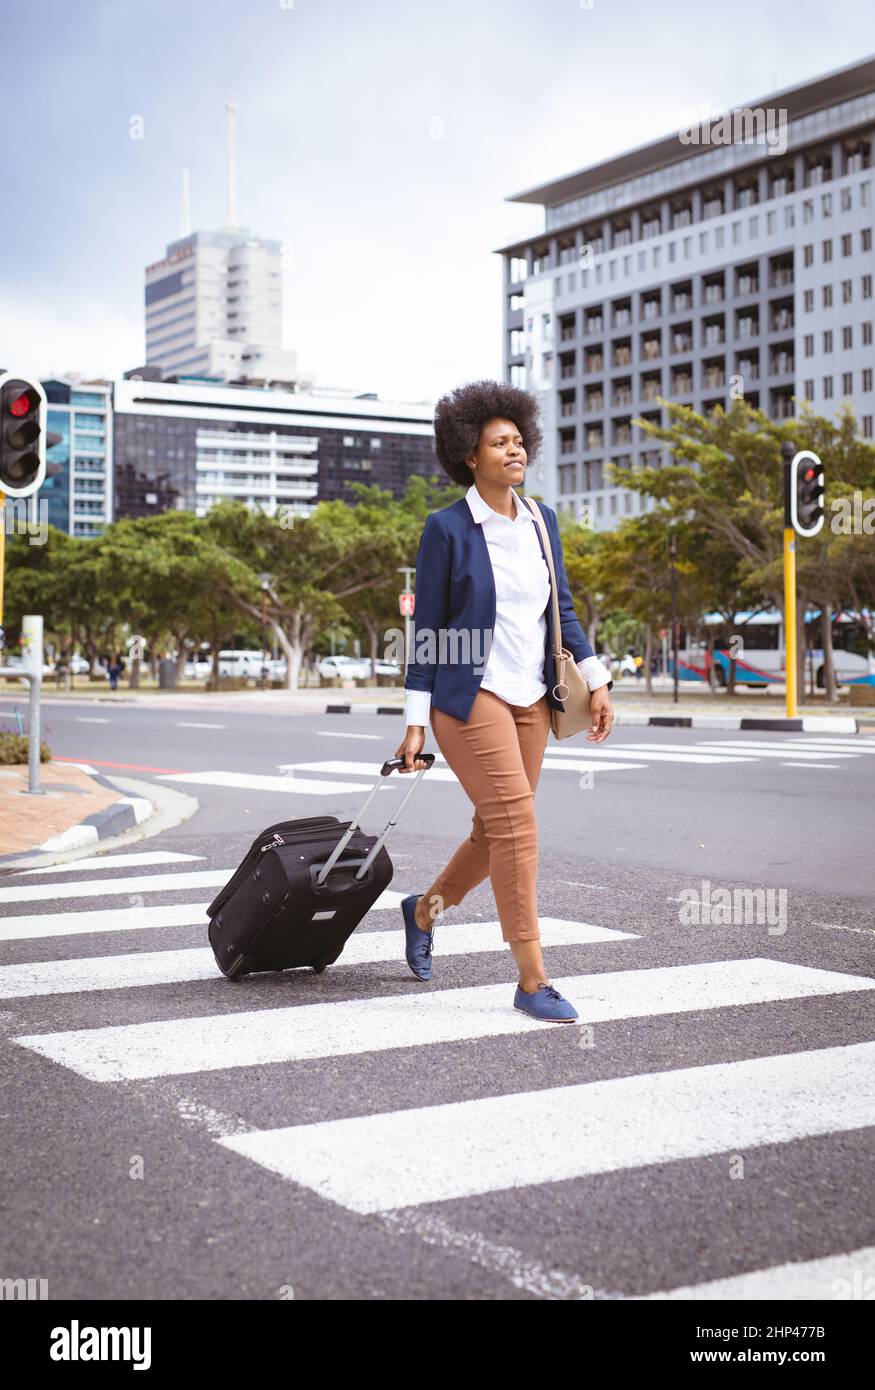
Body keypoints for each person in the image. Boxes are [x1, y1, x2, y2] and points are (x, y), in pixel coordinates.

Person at [394, 380, 614, 1023]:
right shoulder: (448, 529)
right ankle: (532, 979)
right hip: (469, 698)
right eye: (499, 443)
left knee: (493, 834)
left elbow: (562, 612)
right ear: (470, 454)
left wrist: (596, 681)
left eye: (518, 440)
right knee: (518, 826)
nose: (514, 450)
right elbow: (429, 630)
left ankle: (423, 911)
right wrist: (415, 723)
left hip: (531, 699)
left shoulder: (543, 523)